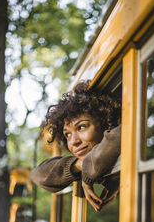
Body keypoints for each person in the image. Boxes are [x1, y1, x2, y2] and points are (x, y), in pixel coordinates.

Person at [30, 80, 121, 211]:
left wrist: (90, 170)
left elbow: (121, 132)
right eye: (67, 134)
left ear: (106, 123)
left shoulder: (125, 132)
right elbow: (37, 175)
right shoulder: (92, 162)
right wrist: (80, 165)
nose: (73, 141)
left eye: (82, 127)